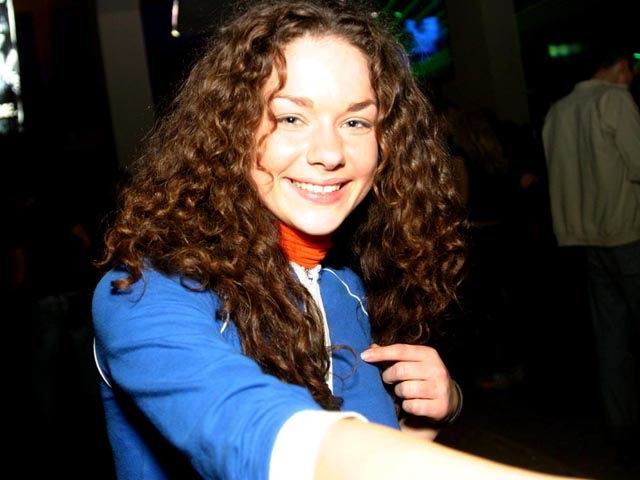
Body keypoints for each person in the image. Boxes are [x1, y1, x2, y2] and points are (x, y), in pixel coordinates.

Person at [93, 1, 581, 479]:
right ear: (229, 130)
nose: (330, 153)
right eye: (291, 118)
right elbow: (247, 432)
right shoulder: (143, 292)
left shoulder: (346, 285)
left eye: (355, 122)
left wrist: (428, 417)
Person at [543, 46, 640, 463]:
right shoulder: (614, 99)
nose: (632, 77)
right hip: (628, 232)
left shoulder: (559, 110)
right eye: (631, 68)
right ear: (618, 65)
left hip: (584, 239)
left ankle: (621, 424)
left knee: (611, 335)